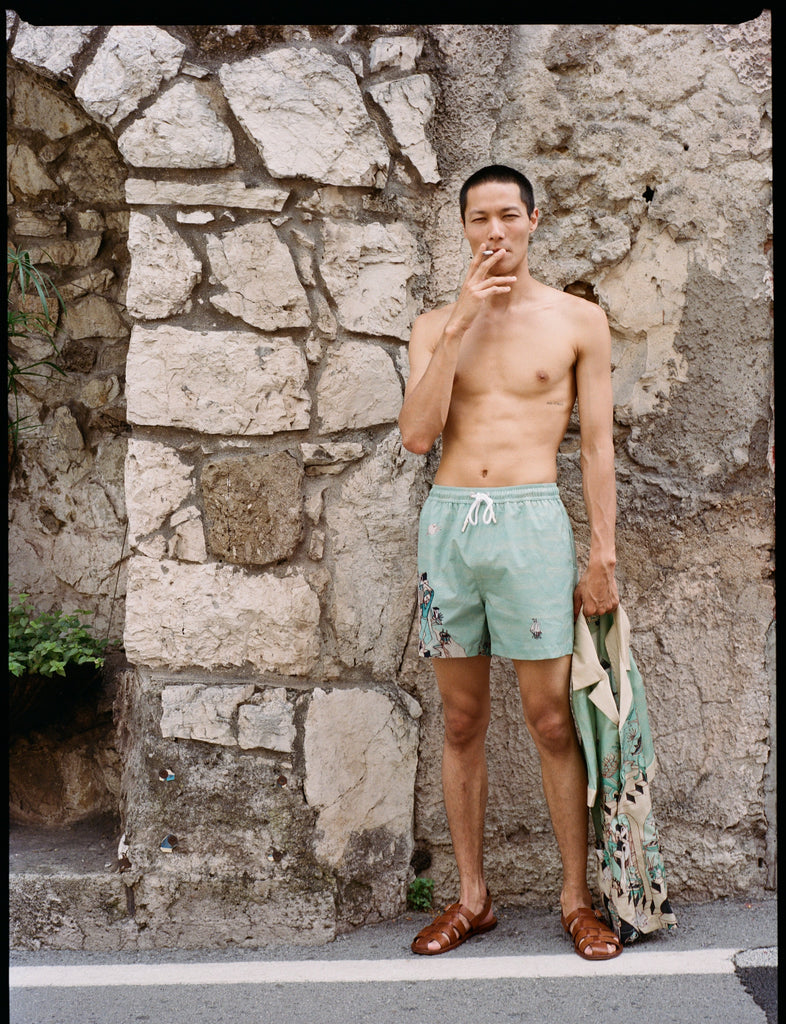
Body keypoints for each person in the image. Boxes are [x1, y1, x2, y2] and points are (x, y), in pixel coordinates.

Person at [398, 164, 622, 960]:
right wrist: (458, 324)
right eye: (477, 219)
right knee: (462, 720)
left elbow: (596, 446)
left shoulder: (578, 321)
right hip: (451, 527)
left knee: (552, 719)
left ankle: (575, 899)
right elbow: (418, 437)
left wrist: (602, 554)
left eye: (507, 217)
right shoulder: (434, 325)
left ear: (532, 221)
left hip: (532, 523)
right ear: (462, 228)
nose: (493, 232)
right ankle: (472, 897)